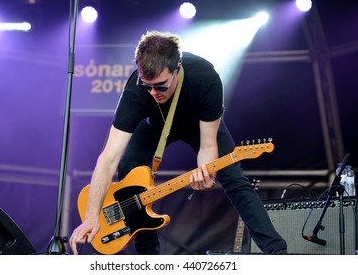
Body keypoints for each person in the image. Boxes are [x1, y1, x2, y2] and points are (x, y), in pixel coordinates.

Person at [69, 30, 287, 255]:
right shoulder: (135, 90)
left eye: (161, 85)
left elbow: (208, 146)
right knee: (128, 169)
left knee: (233, 177)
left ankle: (276, 251)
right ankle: (148, 260)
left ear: (178, 68)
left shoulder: (205, 78)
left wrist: (206, 173)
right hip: (155, 126)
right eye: (148, 85)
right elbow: (108, 158)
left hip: (199, 125)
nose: (154, 92)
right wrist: (91, 216)